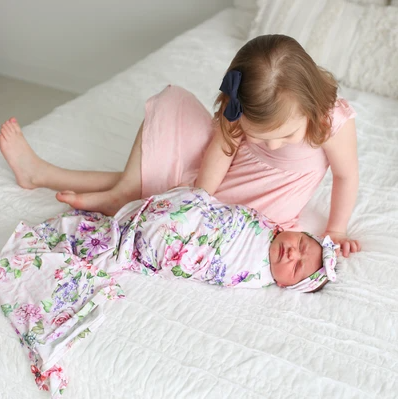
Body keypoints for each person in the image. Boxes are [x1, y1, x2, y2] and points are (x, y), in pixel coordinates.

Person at [0, 35, 360, 257]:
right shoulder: (243, 108)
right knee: (173, 106)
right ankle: (89, 183)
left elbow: (346, 177)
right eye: (261, 136)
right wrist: (198, 200)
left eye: (285, 136)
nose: (274, 145)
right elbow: (224, 146)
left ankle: (54, 177)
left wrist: (336, 230)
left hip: (258, 203)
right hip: (215, 178)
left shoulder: (331, 122)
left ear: (311, 104)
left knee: (159, 186)